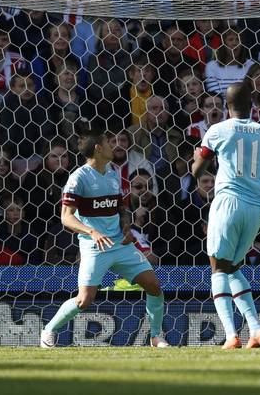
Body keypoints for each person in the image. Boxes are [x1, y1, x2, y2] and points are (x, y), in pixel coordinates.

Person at [39, 126, 169, 348]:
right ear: (99, 148)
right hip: (94, 247)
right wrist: (92, 231)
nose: (114, 146)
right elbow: (66, 218)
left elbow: (120, 208)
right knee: (84, 300)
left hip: (120, 245)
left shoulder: (112, 174)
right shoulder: (78, 178)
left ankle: (156, 336)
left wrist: (127, 228)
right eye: (109, 143)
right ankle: (48, 331)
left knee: (154, 286)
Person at [191, 82, 260, 349]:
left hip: (227, 203)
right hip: (255, 208)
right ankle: (257, 330)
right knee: (235, 267)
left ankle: (229, 335)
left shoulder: (217, 131)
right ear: (252, 105)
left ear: (226, 106)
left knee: (218, 268)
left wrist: (195, 158)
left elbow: (197, 171)